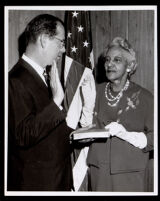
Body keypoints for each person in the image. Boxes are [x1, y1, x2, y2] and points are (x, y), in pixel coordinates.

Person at [8, 14, 77, 191]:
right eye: (61, 43)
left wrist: (76, 135)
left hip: (56, 182)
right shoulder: (15, 80)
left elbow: (46, 130)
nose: (63, 50)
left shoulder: (42, 76)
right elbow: (22, 134)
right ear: (44, 40)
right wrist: (56, 101)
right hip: (38, 186)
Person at [87, 37, 153, 192]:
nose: (110, 64)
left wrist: (128, 135)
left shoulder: (145, 97)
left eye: (117, 60)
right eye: (107, 60)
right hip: (98, 171)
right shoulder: (94, 91)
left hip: (130, 174)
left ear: (129, 66)